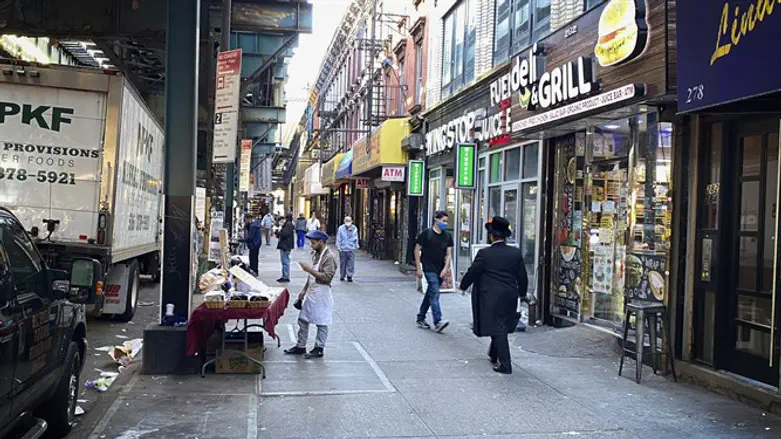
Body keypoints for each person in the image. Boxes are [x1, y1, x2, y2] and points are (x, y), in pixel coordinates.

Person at [459, 216, 527, 375]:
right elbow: (522, 276)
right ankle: (494, 353)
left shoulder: (485, 253)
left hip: (491, 296)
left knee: (498, 326)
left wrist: (463, 285)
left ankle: (505, 364)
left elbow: (473, 272)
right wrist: (522, 294)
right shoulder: (515, 253)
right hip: (509, 295)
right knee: (500, 324)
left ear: (491, 236)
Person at [284, 230, 337, 359]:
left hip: (322, 293)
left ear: (321, 242)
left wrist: (309, 269)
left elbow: (327, 277)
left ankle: (319, 348)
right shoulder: (316, 254)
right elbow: (312, 276)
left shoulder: (329, 257)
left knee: (322, 322)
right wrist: (304, 290)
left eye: (313, 243)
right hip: (313, 292)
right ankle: (300, 346)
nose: (311, 245)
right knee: (303, 319)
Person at [414, 210, 452, 333]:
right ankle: (438, 321)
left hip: (440, 268)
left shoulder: (447, 236)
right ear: (436, 219)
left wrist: (446, 268)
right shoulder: (426, 234)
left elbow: (448, 254)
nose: (445, 224)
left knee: (431, 293)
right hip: (428, 267)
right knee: (435, 292)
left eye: (446, 221)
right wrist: (419, 268)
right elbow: (417, 250)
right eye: (443, 221)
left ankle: (421, 317)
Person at [336, 216, 358, 282]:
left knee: (351, 263)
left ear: (352, 221)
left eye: (349, 221)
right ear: (344, 221)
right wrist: (338, 246)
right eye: (347, 221)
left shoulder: (354, 228)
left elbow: (356, 238)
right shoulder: (341, 228)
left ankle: (349, 276)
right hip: (343, 248)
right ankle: (342, 275)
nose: (348, 222)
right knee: (343, 263)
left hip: (351, 248)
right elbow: (338, 238)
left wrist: (355, 246)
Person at [275, 213, 295, 283]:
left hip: (285, 246)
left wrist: (277, 233)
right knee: (284, 261)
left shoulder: (288, 225)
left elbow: (285, 234)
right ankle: (284, 276)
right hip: (285, 245)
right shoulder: (287, 225)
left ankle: (286, 277)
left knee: (285, 261)